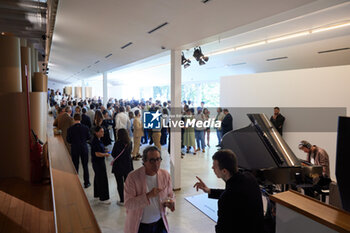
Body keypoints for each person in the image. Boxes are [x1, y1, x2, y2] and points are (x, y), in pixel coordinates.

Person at [194, 149, 264, 233]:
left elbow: (222, 229)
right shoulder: (249, 178)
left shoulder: (226, 198)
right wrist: (209, 191)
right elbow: (234, 193)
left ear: (224, 171)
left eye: (214, 166)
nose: (212, 167)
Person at [124, 146, 175, 233]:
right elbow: (128, 204)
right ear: (144, 161)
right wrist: (148, 196)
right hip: (140, 226)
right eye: (152, 160)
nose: (156, 163)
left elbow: (170, 194)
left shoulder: (165, 175)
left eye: (158, 159)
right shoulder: (132, 177)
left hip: (160, 224)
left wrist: (171, 202)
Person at [67, 113, 91, 188]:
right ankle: (86, 182)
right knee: (85, 166)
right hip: (84, 148)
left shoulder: (70, 129)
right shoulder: (85, 128)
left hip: (74, 148)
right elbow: (88, 137)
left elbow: (68, 140)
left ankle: (75, 182)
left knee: (75, 166)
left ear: (74, 119)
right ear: (80, 119)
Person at [111, 128, 133, 206]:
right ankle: (129, 198)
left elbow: (113, 154)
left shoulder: (117, 143)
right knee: (128, 183)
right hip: (128, 165)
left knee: (120, 184)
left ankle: (122, 200)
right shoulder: (130, 142)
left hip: (118, 166)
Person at [91, 126, 111, 204]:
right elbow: (97, 154)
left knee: (97, 178)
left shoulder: (99, 140)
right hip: (98, 162)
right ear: (96, 132)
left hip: (98, 162)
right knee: (102, 179)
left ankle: (97, 194)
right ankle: (103, 198)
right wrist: (105, 154)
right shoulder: (95, 141)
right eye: (101, 131)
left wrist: (105, 150)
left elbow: (100, 149)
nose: (103, 133)